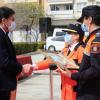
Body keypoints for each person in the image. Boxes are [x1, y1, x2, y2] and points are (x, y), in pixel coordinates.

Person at [33, 23, 85, 100]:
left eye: (69, 33)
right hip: (65, 88)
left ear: (77, 36)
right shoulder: (65, 49)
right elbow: (52, 59)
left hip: (75, 89)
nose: (66, 35)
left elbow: (83, 70)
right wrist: (34, 66)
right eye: (66, 33)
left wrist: (65, 68)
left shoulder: (81, 50)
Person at [60, 5, 100, 100]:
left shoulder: (96, 40)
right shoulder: (92, 38)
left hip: (91, 92)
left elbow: (95, 70)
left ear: (89, 19)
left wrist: (72, 75)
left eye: (83, 20)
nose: (83, 23)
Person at [0, 6, 33, 100]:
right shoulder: (0, 35)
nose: (13, 23)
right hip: (2, 84)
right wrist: (21, 68)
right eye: (12, 19)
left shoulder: (4, 35)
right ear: (3, 20)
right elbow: (4, 61)